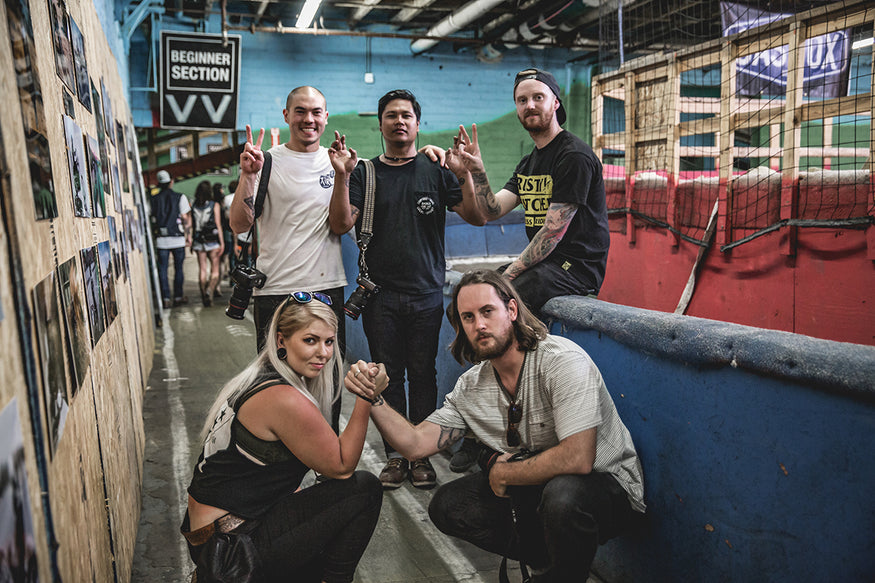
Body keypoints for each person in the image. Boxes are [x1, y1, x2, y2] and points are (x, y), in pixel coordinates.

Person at [346, 270, 645, 582]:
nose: (480, 325)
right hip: (543, 488)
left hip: (607, 487)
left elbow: (578, 458)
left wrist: (505, 472)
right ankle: (549, 562)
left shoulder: (561, 361)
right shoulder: (473, 386)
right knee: (449, 505)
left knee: (563, 496)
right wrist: (372, 397)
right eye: (468, 317)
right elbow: (415, 443)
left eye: (487, 311)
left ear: (512, 311)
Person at [443, 68, 612, 472]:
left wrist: (511, 273)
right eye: (522, 100)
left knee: (500, 300)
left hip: (575, 267)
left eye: (538, 97)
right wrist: (473, 171)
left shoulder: (573, 155)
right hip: (543, 264)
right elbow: (489, 211)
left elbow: (555, 231)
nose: (530, 105)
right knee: (471, 294)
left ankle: (475, 427)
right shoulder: (530, 161)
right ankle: (477, 417)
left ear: (556, 103)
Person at [330, 89, 484, 490]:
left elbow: (474, 215)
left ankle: (422, 457)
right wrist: (343, 175)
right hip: (379, 295)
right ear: (380, 124)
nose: (399, 121)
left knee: (424, 374)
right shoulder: (365, 173)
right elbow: (342, 224)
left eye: (407, 116)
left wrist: (465, 172)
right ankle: (396, 456)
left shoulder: (435, 169)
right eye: (391, 116)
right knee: (388, 376)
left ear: (417, 124)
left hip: (426, 294)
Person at [182, 293, 385, 582]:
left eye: (329, 342)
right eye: (310, 340)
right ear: (281, 341)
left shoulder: (259, 377)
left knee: (314, 505)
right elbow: (342, 466)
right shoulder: (283, 398)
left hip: (211, 535)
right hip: (229, 549)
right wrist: (366, 395)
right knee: (363, 489)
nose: (324, 353)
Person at [229, 86, 349, 357]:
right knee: (274, 383)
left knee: (326, 385)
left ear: (326, 117)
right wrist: (248, 176)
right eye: (300, 111)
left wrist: (428, 150)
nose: (309, 119)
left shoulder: (339, 163)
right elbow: (239, 226)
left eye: (316, 112)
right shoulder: (266, 162)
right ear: (286, 115)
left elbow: (393, 163)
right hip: (275, 290)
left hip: (326, 288)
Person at [151, 170, 191, 308]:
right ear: (171, 182)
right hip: (178, 238)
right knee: (178, 268)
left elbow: (151, 218)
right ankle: (178, 297)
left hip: (161, 240)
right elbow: (185, 218)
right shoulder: (180, 197)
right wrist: (188, 235)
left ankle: (166, 298)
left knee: (163, 269)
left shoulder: (153, 199)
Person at [191, 180, 225, 307]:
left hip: (199, 241)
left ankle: (203, 294)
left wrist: (192, 240)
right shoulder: (214, 205)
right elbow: (218, 225)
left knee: (202, 270)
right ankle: (210, 291)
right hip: (213, 241)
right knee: (215, 271)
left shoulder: (194, 205)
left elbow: (193, 225)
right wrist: (222, 243)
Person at [212, 182, 230, 297]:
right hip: (225, 233)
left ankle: (215, 285)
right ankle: (217, 285)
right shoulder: (222, 203)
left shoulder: (211, 202)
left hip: (214, 235)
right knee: (224, 260)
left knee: (215, 262)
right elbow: (227, 218)